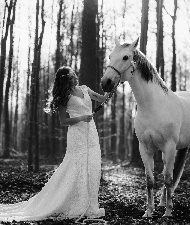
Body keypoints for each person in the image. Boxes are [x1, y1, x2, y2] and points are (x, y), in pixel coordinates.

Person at [0, 66, 109, 222]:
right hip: (76, 134)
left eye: (74, 75)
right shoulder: (63, 96)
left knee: (91, 165)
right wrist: (81, 118)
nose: (74, 77)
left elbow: (102, 99)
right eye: (71, 76)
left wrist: (111, 86)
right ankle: (75, 203)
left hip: (91, 132)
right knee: (75, 165)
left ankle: (89, 204)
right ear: (65, 79)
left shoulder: (85, 89)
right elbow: (64, 121)